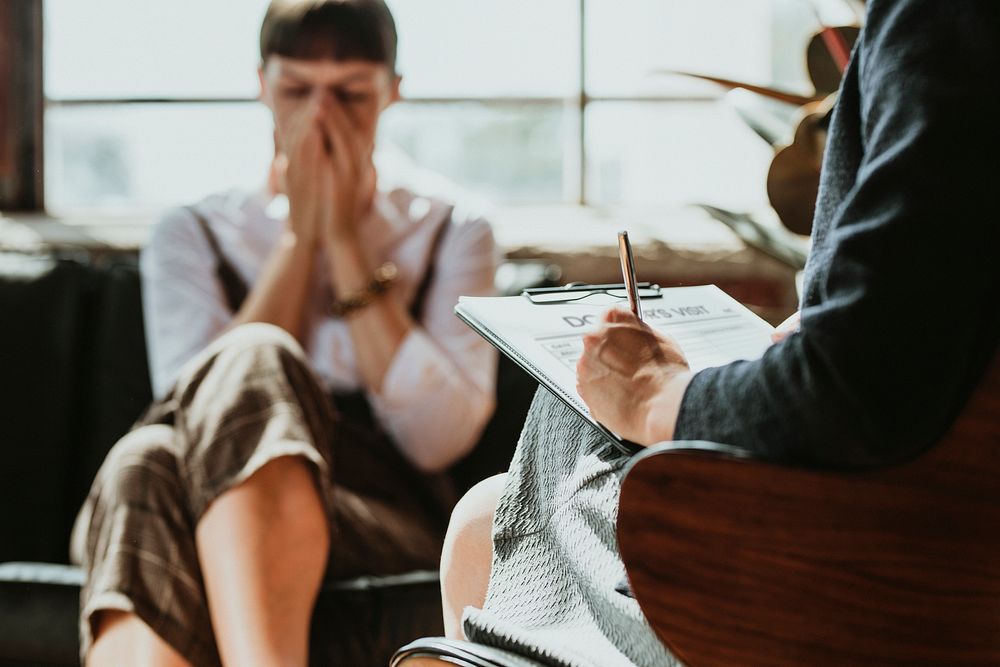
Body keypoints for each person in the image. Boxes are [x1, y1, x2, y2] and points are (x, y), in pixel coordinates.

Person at [439, 1, 1000, 665]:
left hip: (894, 566)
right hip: (928, 518)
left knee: (568, 418)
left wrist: (654, 394)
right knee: (483, 520)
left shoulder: (945, 19)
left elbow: (859, 383)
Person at [70, 1, 498, 665]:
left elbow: (439, 437)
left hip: (383, 507)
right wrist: (299, 240)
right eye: (297, 91)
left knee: (225, 379)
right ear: (262, 85)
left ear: (392, 93)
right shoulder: (195, 231)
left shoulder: (454, 228)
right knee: (146, 461)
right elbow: (189, 419)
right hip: (218, 492)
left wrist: (345, 243)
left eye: (351, 95)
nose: (319, 118)